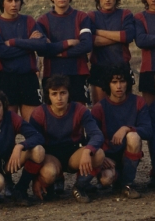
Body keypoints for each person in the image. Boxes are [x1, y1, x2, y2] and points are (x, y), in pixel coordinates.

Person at [29, 75, 105, 203]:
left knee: (98, 154)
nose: (59, 98)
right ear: (48, 95)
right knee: (49, 173)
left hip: (73, 152)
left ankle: (80, 187)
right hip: (51, 155)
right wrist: (36, 178)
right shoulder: (39, 113)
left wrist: (88, 150)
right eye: (54, 94)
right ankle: (49, 185)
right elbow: (32, 142)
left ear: (69, 93)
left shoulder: (79, 110)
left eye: (63, 93)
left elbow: (97, 134)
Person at [0, 87, 45, 206]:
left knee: (38, 150)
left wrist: (20, 146)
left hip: (9, 162)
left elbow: (37, 136)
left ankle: (21, 189)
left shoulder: (10, 117)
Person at [90, 64, 152, 199]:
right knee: (106, 180)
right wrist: (102, 157)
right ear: (108, 84)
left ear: (128, 82)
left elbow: (148, 130)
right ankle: (117, 180)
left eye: (122, 81)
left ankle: (128, 184)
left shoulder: (138, 102)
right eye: (114, 82)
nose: (119, 86)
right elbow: (91, 137)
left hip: (128, 153)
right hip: (108, 157)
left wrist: (126, 128)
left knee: (133, 137)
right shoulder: (99, 107)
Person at [0, 0, 47, 121]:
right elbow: (2, 52)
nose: (14, 4)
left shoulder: (28, 20)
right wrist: (29, 44)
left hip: (28, 77)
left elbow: (42, 44)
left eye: (17, 0)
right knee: (7, 125)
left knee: (33, 125)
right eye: (10, 0)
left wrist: (15, 42)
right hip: (6, 78)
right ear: (2, 2)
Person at [37, 0, 94, 105]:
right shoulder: (42, 21)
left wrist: (59, 52)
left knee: (78, 117)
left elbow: (86, 45)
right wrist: (67, 43)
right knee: (53, 118)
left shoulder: (81, 17)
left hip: (77, 74)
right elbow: (42, 49)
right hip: (52, 75)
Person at [87, 0, 135, 104]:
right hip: (99, 68)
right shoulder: (92, 16)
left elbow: (128, 36)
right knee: (100, 112)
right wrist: (118, 37)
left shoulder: (125, 14)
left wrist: (99, 31)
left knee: (125, 110)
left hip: (122, 66)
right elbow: (92, 41)